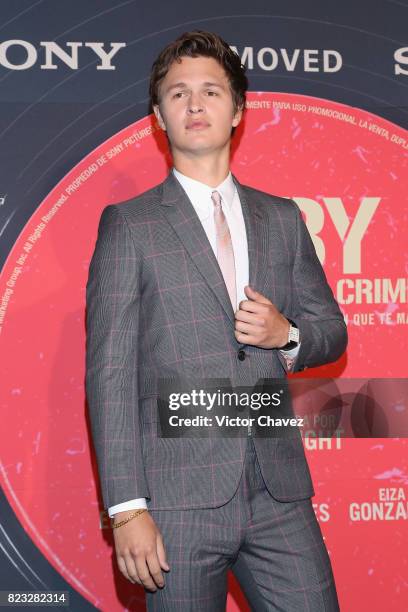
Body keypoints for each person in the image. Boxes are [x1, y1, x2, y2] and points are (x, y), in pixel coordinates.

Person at [85, 30, 347, 611]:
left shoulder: (281, 218)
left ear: (238, 111)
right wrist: (127, 509)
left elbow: (331, 330)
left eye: (210, 91)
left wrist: (288, 337)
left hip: (279, 496)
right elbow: (110, 373)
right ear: (158, 117)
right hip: (176, 502)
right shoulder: (129, 226)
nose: (195, 104)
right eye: (178, 95)